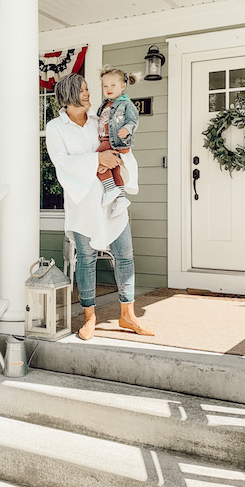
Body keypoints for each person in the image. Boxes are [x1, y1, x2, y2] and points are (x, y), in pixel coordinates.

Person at [45, 73, 153, 340]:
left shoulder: (99, 120)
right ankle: (89, 318)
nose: (88, 93)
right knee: (87, 259)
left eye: (87, 89)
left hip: (112, 200)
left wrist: (112, 158)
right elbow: (62, 163)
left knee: (125, 255)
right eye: (83, 90)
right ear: (69, 95)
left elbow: (119, 145)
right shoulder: (55, 128)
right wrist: (97, 159)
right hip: (83, 204)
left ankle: (128, 315)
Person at [96, 66, 140, 217]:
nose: (108, 88)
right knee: (115, 170)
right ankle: (121, 199)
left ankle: (110, 189)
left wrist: (127, 129)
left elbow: (133, 120)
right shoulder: (105, 104)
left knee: (94, 161)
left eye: (113, 85)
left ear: (123, 86)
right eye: (105, 86)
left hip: (114, 140)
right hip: (106, 140)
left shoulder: (126, 104)